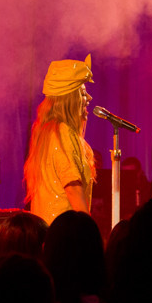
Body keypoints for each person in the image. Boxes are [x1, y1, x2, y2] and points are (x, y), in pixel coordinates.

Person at [23, 55, 96, 224]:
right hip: (66, 233)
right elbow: (73, 190)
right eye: (82, 93)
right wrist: (89, 231)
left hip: (50, 231)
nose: (89, 98)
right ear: (69, 98)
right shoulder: (63, 132)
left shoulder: (46, 132)